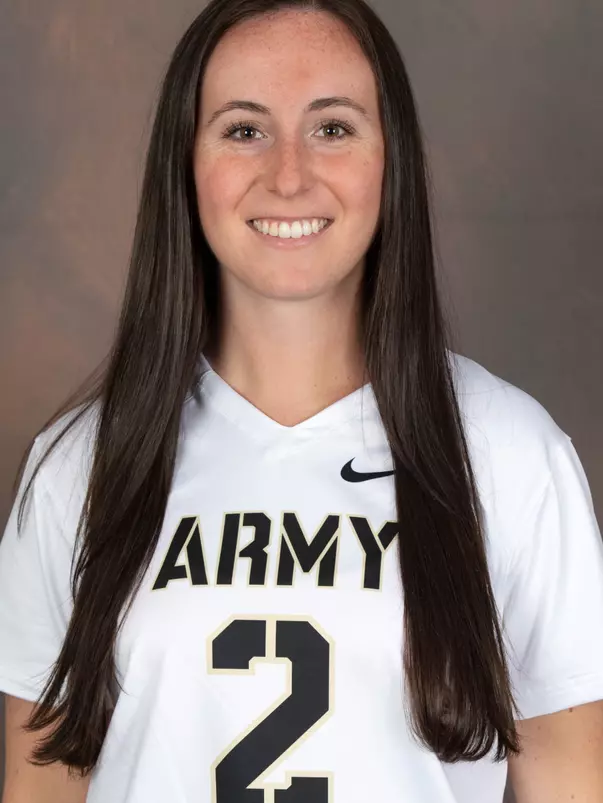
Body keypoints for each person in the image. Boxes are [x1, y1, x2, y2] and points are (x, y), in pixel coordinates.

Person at [1, 0, 603, 801]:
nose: (288, 175)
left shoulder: (511, 453)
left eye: (332, 127)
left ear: (391, 159)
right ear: (185, 162)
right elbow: (42, 784)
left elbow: (570, 779)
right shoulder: (81, 462)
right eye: (243, 128)